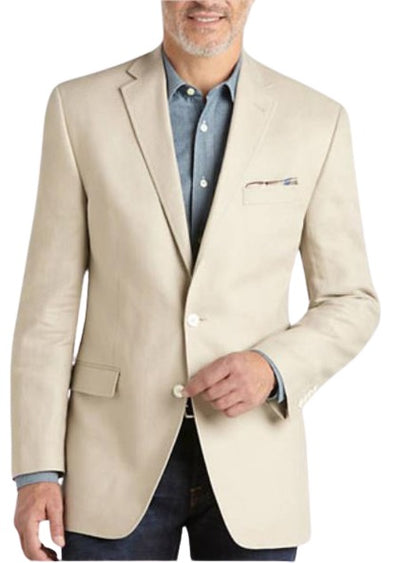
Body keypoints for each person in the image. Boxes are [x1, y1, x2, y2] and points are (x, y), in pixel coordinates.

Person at [10, 0, 380, 561]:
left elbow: (350, 299)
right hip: (110, 460)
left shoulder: (316, 120)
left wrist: (272, 368)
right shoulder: (78, 108)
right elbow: (48, 308)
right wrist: (37, 470)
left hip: (255, 458)